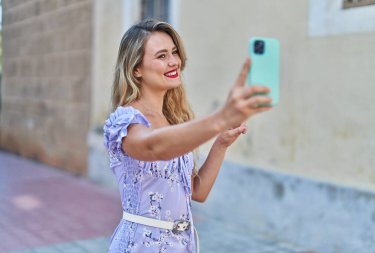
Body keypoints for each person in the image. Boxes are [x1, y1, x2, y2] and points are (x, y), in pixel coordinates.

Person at [103, 19, 272, 253]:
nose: (174, 61)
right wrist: (219, 118)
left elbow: (197, 192)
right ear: (136, 69)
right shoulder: (124, 121)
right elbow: (153, 148)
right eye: (161, 56)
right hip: (141, 246)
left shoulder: (173, 120)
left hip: (182, 245)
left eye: (174, 52)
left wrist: (220, 144)